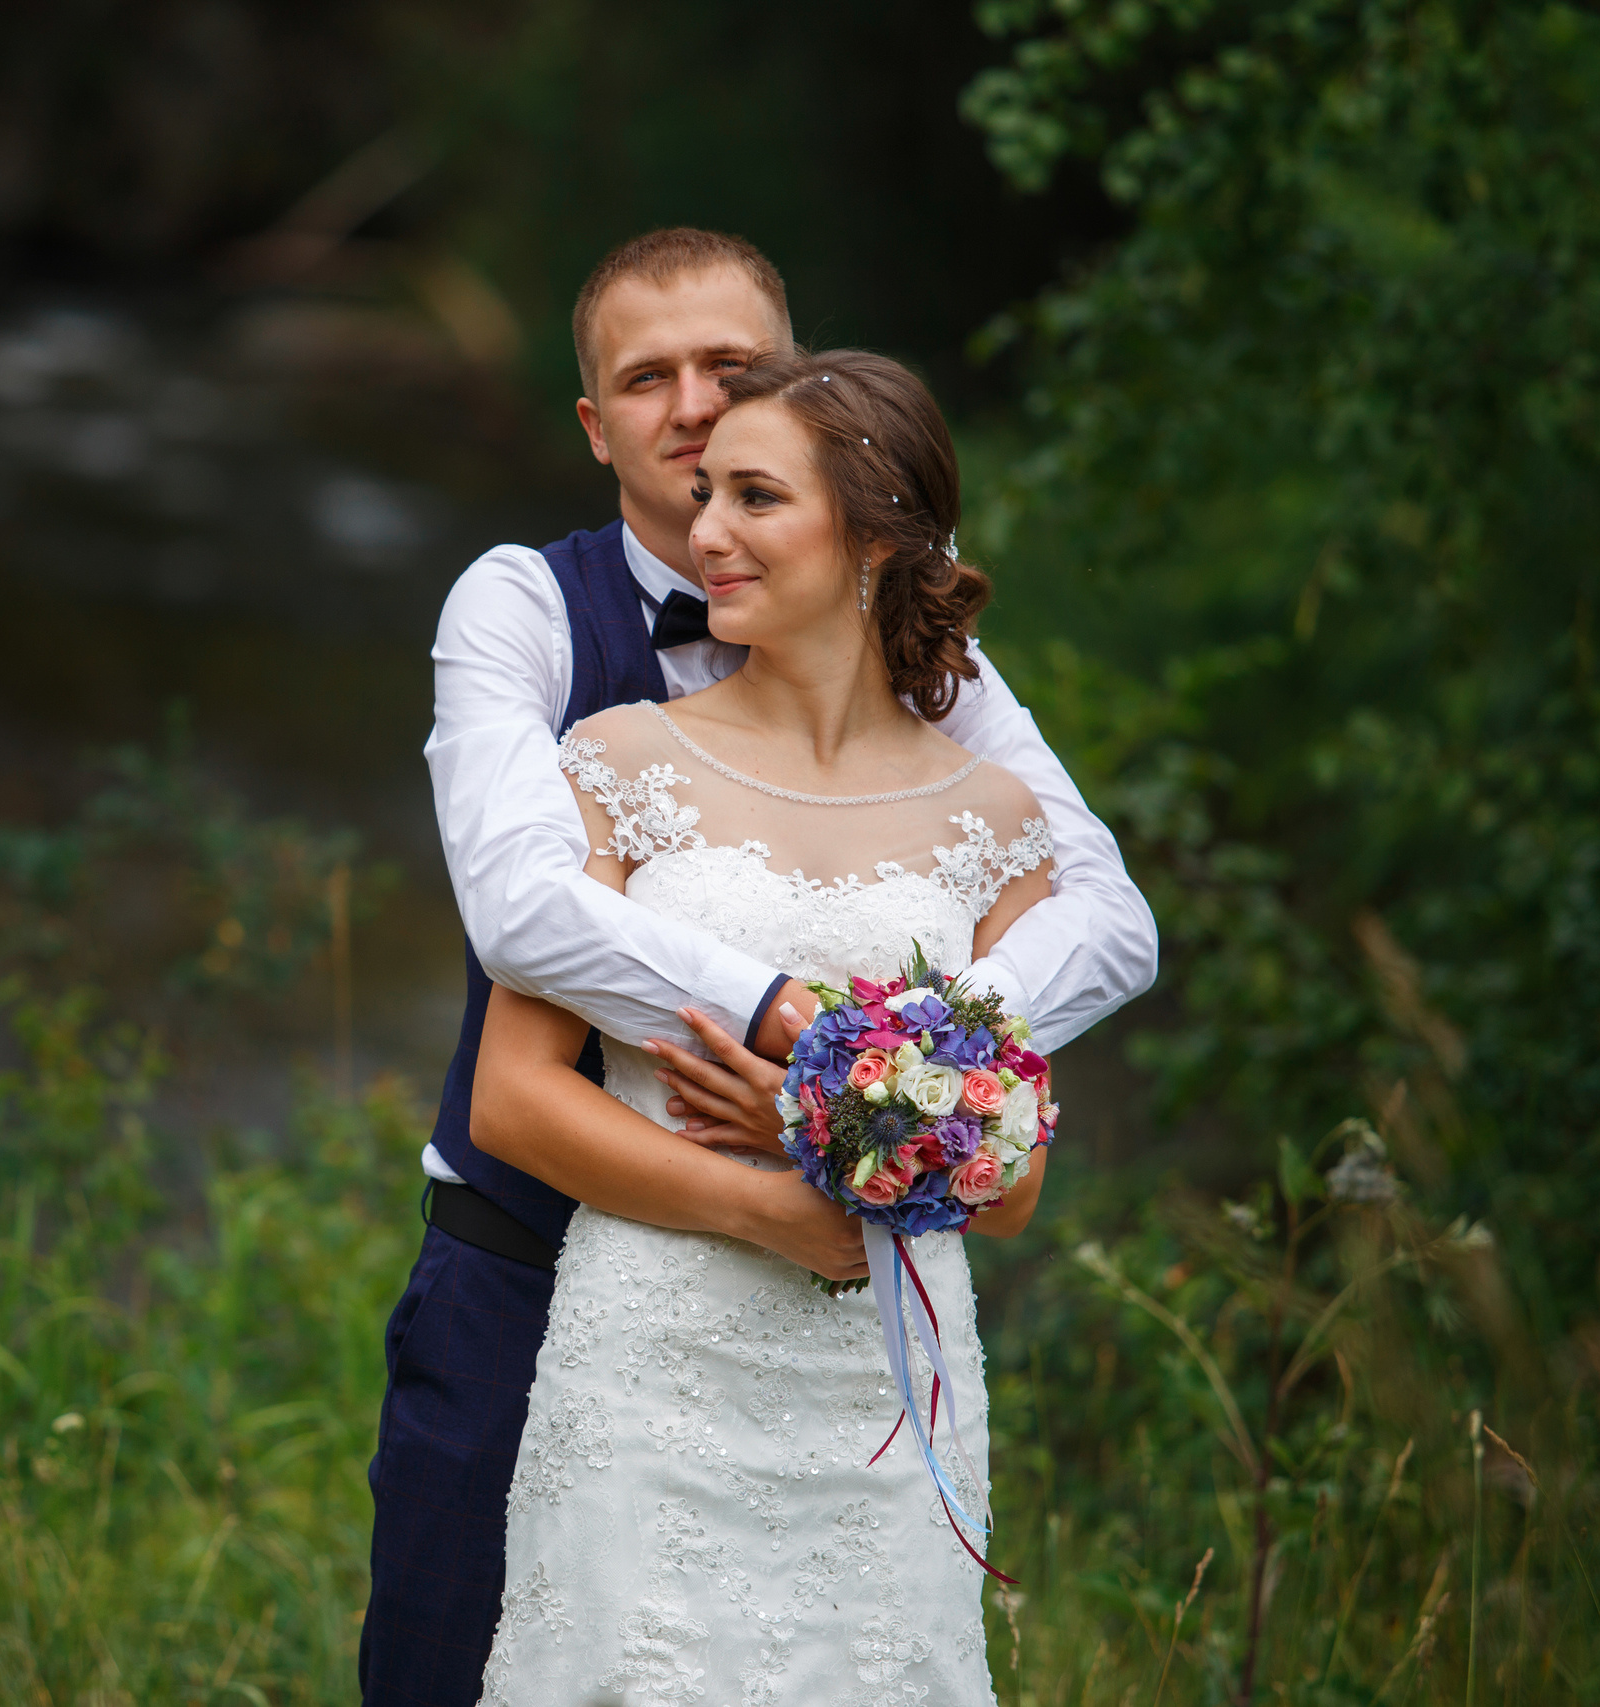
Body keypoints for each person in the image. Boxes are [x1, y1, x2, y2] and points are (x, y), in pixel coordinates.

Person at [358, 229, 1156, 1707]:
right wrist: (808, 1050)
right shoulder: (540, 629)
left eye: (731, 370)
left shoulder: (941, 689)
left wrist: (911, 1080)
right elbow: (521, 916)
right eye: (646, 379)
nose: (695, 409)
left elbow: (1103, 922)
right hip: (541, 1275)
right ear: (594, 424)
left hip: (862, 1343)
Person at [475, 345, 1043, 1701]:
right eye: (706, 496)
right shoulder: (617, 762)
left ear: (875, 535)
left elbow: (1016, 1187)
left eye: (756, 498)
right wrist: (767, 1206)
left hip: (885, 1388)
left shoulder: (997, 824)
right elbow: (513, 1099)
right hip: (653, 1369)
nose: (707, 533)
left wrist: (812, 1118)